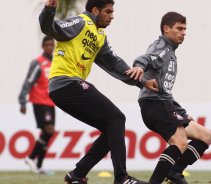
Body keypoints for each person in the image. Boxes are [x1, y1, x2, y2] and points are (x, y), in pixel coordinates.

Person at [39, 0, 157, 184]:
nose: (112, 16)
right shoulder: (80, 22)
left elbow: (115, 64)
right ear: (95, 10)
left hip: (67, 88)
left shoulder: (100, 35)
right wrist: (49, 9)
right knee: (117, 119)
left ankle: (77, 175)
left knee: (112, 127)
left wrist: (142, 82)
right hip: (66, 83)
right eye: (108, 11)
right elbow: (51, 28)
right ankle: (122, 178)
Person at [132, 12, 211, 184]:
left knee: (205, 136)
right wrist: (139, 66)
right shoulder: (161, 47)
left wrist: (181, 113)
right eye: (179, 28)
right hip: (154, 103)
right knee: (180, 142)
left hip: (165, 104)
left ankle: (175, 172)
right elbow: (145, 58)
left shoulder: (170, 51)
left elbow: (166, 91)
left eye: (185, 29)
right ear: (166, 29)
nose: (183, 32)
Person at [18, 36, 55, 174]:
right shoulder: (38, 63)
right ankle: (31, 157)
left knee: (49, 133)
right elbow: (28, 82)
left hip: (50, 102)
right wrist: (22, 101)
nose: (50, 47)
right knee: (49, 130)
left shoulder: (56, 62)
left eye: (52, 45)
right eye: (47, 45)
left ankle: (39, 166)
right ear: (43, 46)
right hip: (39, 101)